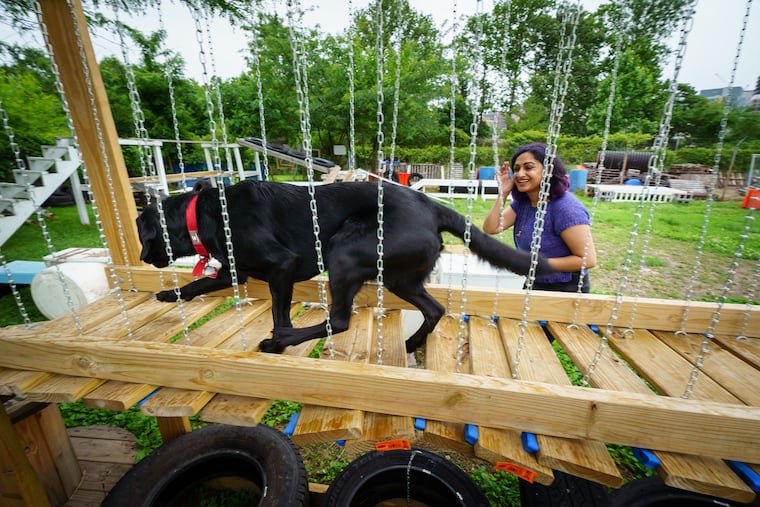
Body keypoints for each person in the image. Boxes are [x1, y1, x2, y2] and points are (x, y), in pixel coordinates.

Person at [482, 142, 597, 292]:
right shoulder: (523, 204)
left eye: (528, 167)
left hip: (565, 288)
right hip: (535, 280)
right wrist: (503, 192)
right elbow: (491, 227)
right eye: (516, 169)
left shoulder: (566, 208)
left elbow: (588, 260)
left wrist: (530, 264)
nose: (520, 174)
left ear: (548, 170)